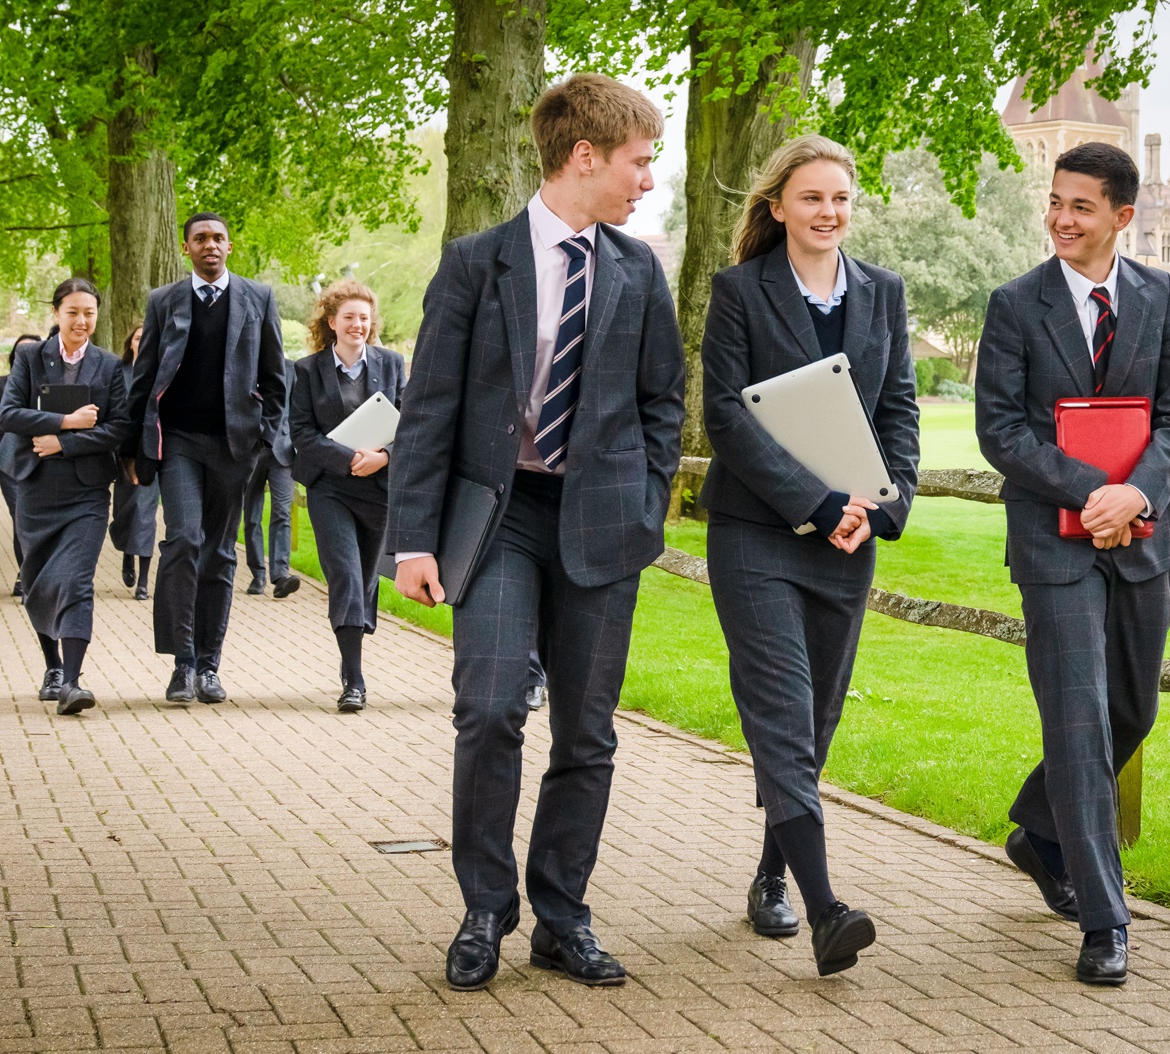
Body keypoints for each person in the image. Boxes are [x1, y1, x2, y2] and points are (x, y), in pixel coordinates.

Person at [387, 73, 684, 992]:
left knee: (587, 733)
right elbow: (428, 405)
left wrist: (646, 503)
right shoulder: (479, 262)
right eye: (640, 163)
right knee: (489, 708)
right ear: (585, 155)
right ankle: (485, 909)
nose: (647, 182)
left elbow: (663, 401)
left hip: (603, 526)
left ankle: (562, 918)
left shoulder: (637, 270)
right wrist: (411, 540)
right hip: (500, 518)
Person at [974, 141, 1170, 986]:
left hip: (1144, 541)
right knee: (1078, 723)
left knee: (1131, 713)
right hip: (1053, 544)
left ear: (1122, 217)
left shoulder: (1160, 297)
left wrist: (1134, 497)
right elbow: (1001, 431)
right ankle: (1105, 921)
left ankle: (1040, 835)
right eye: (1056, 203)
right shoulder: (1013, 305)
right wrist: (1090, 493)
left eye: (1081, 207)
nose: (1061, 219)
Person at [697, 134, 920, 976]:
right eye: (813, 198)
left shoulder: (883, 294)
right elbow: (726, 415)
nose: (829, 213)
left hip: (851, 540)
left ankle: (771, 872)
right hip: (756, 535)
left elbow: (897, 409)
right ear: (777, 206)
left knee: (815, 723)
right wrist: (814, 503)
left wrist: (881, 505)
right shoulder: (738, 293)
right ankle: (827, 909)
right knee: (781, 715)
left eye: (841, 200)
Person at [121, 212, 290, 705]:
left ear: (229, 247)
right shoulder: (163, 301)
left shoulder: (258, 299)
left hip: (235, 446)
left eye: (218, 238)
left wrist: (266, 437)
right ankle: (182, 663)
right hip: (177, 442)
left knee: (219, 553)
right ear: (186, 247)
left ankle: (210, 665)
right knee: (183, 540)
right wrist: (134, 448)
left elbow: (277, 379)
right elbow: (144, 377)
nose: (210, 245)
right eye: (201, 239)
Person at [0, 278, 132, 715]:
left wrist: (66, 441)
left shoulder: (109, 366)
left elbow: (119, 427)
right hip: (35, 489)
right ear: (56, 313)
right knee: (37, 579)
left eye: (89, 313)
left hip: (87, 492)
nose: (81, 320)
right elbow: (9, 413)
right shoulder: (31, 357)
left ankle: (73, 681)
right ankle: (52, 667)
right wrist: (65, 421)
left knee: (76, 580)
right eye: (72, 312)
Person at [288, 278, 405, 713]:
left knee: (368, 578)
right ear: (332, 322)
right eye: (349, 317)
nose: (358, 324)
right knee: (346, 575)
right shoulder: (305, 370)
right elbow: (300, 431)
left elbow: (410, 422)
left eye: (364, 317)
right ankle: (353, 678)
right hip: (331, 487)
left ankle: (353, 635)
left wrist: (384, 457)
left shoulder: (392, 364)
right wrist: (348, 458)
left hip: (379, 487)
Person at [0, 334, 45, 595]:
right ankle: (26, 575)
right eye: (20, 351)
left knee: (37, 519)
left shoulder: (49, 383)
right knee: (20, 517)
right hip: (10, 462)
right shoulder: (1, 384)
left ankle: (35, 572)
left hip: (43, 459)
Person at [109, 325, 158, 601]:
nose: (143, 341)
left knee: (145, 514)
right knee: (126, 512)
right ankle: (127, 554)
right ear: (130, 343)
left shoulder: (159, 373)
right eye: (138, 337)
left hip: (151, 453)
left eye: (147, 337)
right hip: (122, 453)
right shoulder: (120, 372)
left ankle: (143, 581)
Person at [240, 419, 301, 598]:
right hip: (252, 450)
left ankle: (281, 576)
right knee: (252, 515)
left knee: (282, 512)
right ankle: (258, 575)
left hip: (283, 450)